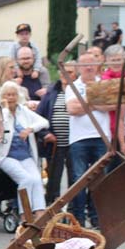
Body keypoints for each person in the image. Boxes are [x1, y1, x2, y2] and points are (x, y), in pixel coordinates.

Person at [65, 49, 109, 227]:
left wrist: (85, 103)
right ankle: (79, 219)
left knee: (100, 179)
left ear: (97, 65)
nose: (88, 67)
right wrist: (96, 102)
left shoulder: (104, 83)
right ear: (78, 67)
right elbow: (72, 110)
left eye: (91, 63)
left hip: (101, 137)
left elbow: (110, 105)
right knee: (79, 180)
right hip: (78, 139)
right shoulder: (72, 86)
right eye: (84, 64)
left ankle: (96, 217)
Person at [0, 82, 49, 213]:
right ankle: (25, 214)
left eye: (13, 94)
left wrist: (30, 129)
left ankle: (39, 212)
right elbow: (4, 126)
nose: (11, 97)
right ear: (3, 96)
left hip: (25, 155)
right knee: (26, 179)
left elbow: (44, 122)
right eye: (7, 95)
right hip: (6, 156)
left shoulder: (23, 111)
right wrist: (6, 109)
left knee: (37, 180)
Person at [36, 60, 76, 204]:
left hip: (74, 143)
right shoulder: (52, 92)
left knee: (75, 178)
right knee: (53, 179)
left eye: (70, 72)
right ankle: (51, 209)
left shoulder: (79, 90)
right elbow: (38, 116)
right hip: (55, 143)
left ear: (76, 74)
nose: (65, 75)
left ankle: (73, 210)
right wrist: (45, 134)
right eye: (63, 71)